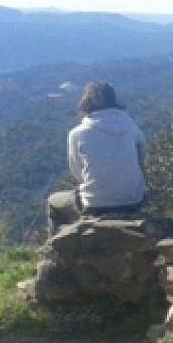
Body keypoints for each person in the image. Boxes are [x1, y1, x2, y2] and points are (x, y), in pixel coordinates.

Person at [47, 81, 145, 234]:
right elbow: (141, 155)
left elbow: (77, 172)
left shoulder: (77, 133)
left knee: (54, 202)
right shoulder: (129, 125)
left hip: (95, 204)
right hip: (134, 200)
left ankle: (58, 249)